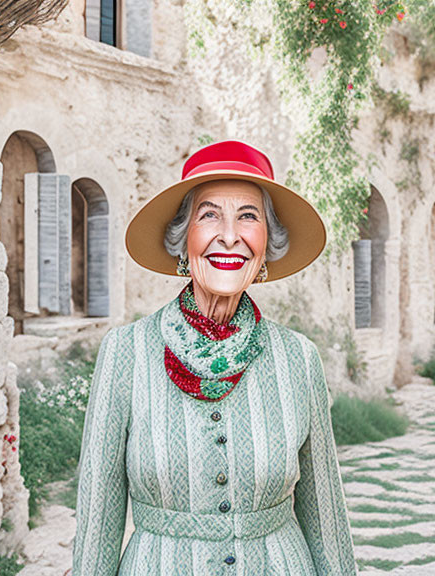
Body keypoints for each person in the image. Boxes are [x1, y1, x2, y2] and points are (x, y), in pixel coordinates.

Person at [72, 140, 358, 575]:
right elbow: (99, 514)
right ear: (183, 238)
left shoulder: (299, 357)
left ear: (266, 243)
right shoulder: (125, 352)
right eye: (209, 215)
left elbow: (326, 514)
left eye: (248, 216)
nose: (230, 235)